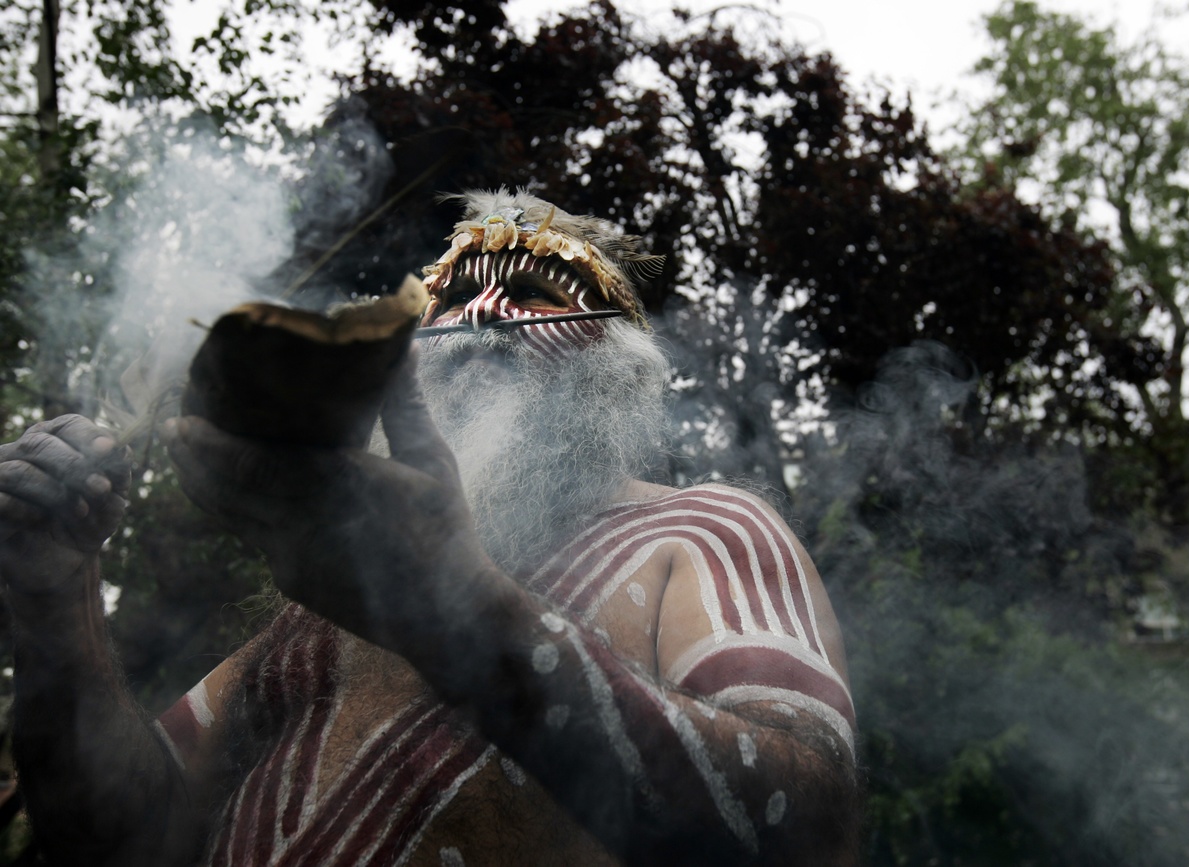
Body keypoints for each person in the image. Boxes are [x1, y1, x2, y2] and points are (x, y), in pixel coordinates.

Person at [0, 190, 857, 866]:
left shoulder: (700, 529)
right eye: (449, 297)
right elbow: (116, 839)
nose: (483, 312)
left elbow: (809, 826)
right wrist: (54, 594)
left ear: (615, 368)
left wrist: (455, 613)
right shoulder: (324, 611)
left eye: (529, 293)